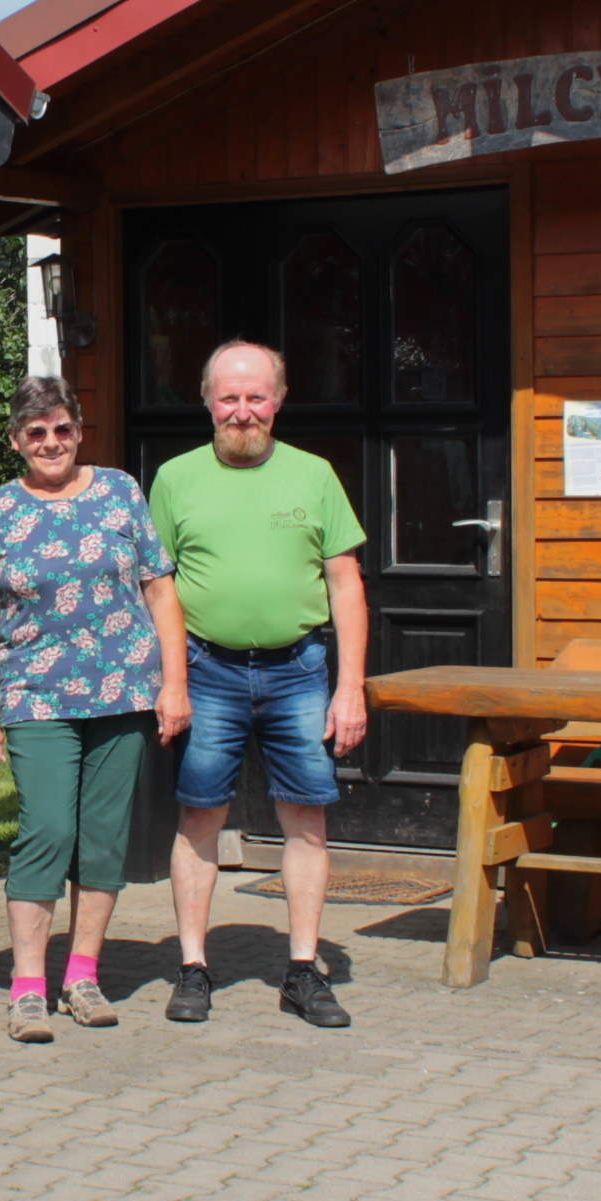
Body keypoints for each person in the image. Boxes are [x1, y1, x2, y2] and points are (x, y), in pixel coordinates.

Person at [147, 340, 370, 1030]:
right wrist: (172, 682)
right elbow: (158, 588)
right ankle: (193, 967)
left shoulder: (314, 475)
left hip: (298, 671)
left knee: (306, 818)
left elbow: (346, 585)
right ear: (207, 401)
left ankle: (302, 970)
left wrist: (351, 688)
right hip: (206, 670)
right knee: (199, 817)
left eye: (255, 397)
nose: (242, 411)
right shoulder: (175, 478)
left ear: (278, 401)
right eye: (229, 398)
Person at [0, 377, 189, 1042]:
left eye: (62, 429)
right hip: (38, 695)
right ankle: (28, 986)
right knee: (49, 829)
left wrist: (174, 684)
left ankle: (82, 976)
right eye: (36, 433)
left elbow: (161, 592)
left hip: (124, 693)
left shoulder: (120, 492)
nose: (51, 442)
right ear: (16, 441)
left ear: (80, 432)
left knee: (104, 836)